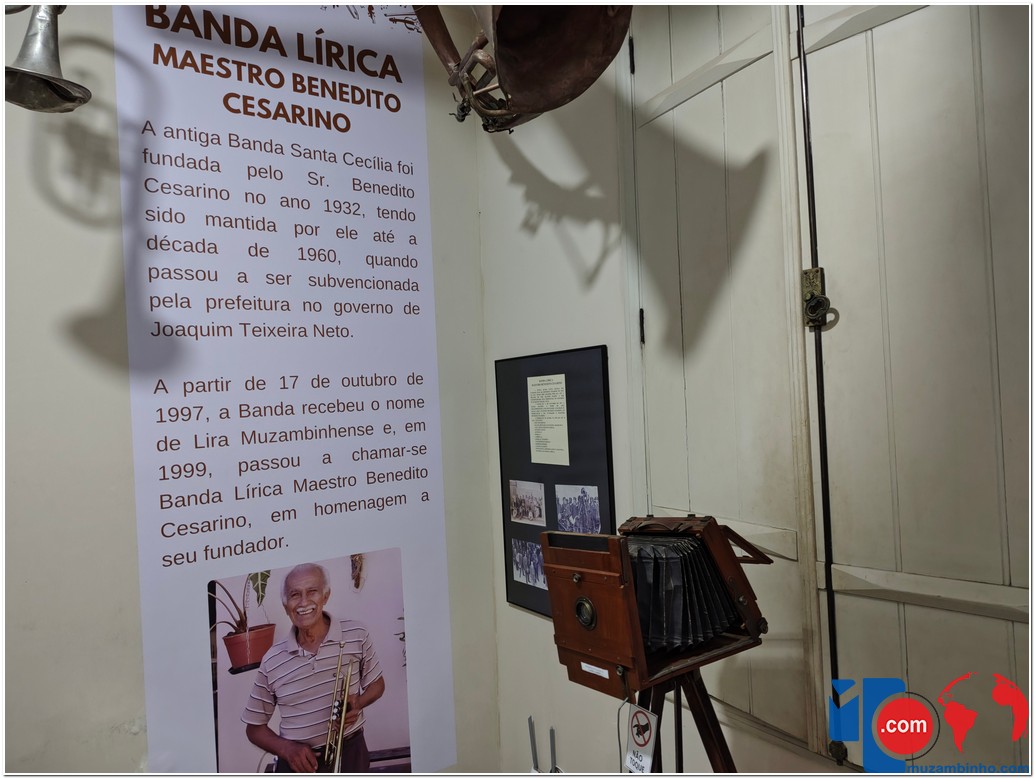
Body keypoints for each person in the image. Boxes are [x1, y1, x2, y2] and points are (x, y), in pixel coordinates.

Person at [242, 563, 386, 773]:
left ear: (325, 596)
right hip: (297, 764)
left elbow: (377, 685)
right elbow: (254, 729)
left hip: (350, 755)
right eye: (294, 595)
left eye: (312, 592)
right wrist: (287, 749)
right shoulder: (272, 659)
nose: (304, 602)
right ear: (285, 606)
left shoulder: (356, 633)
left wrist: (359, 703)